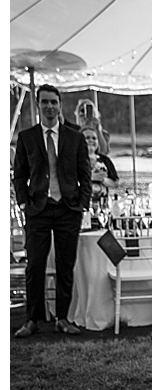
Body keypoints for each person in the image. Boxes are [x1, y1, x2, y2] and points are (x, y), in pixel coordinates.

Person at [13, 84, 91, 337]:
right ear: (38, 105)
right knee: (34, 265)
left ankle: (63, 318)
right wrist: (24, 203)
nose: (49, 107)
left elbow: (85, 174)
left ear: (60, 105)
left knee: (65, 266)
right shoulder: (27, 138)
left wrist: (82, 204)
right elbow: (19, 175)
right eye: (45, 102)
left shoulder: (75, 137)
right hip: (38, 209)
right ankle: (33, 319)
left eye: (53, 102)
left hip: (68, 209)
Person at [84, 126, 118, 210]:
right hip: (82, 205)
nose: (91, 140)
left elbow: (115, 183)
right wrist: (91, 177)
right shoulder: (73, 160)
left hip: (102, 205)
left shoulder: (105, 160)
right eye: (87, 138)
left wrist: (102, 180)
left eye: (94, 138)